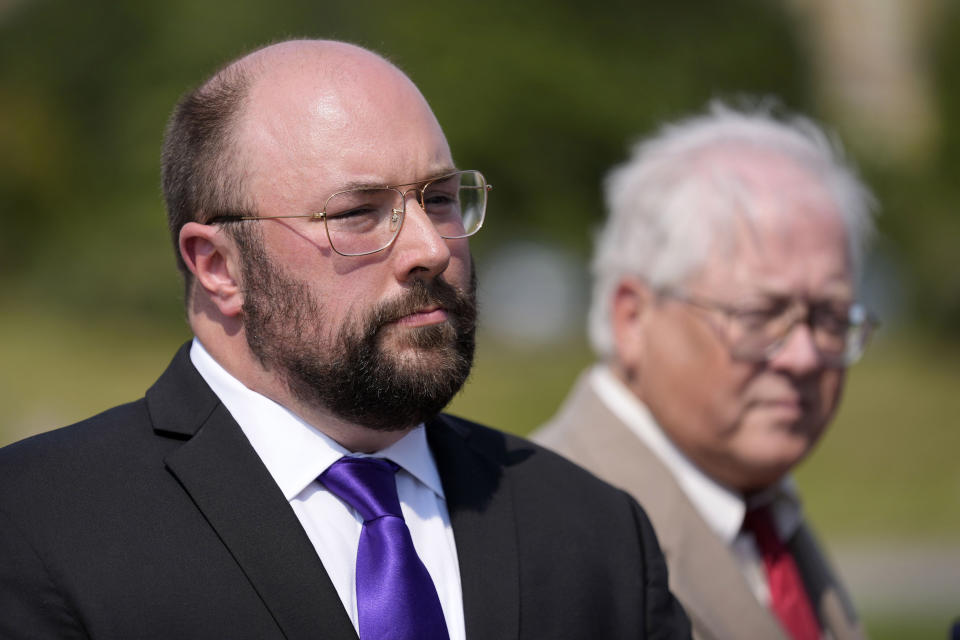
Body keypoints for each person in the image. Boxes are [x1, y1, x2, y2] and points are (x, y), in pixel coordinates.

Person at [0, 40, 690, 639]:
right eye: (359, 213)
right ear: (218, 266)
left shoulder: (594, 534)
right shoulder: (38, 527)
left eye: (441, 199)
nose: (429, 248)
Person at [534, 103, 877, 640]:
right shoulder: (552, 537)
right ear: (633, 318)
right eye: (760, 315)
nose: (804, 356)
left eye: (829, 317)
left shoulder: (761, 509)